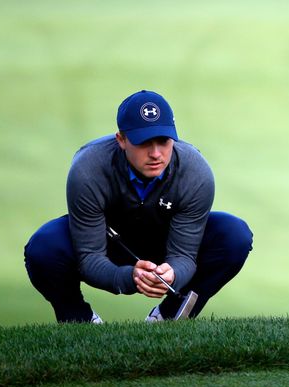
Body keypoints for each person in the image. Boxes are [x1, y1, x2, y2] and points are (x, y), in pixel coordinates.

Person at [24, 90, 253, 323]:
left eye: (163, 141)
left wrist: (173, 274)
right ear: (121, 140)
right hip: (109, 244)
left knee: (234, 235)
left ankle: (170, 317)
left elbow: (184, 255)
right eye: (144, 142)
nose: (156, 154)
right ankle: (79, 323)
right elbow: (90, 257)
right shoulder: (88, 169)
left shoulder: (195, 172)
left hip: (166, 244)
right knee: (44, 247)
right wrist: (128, 277)